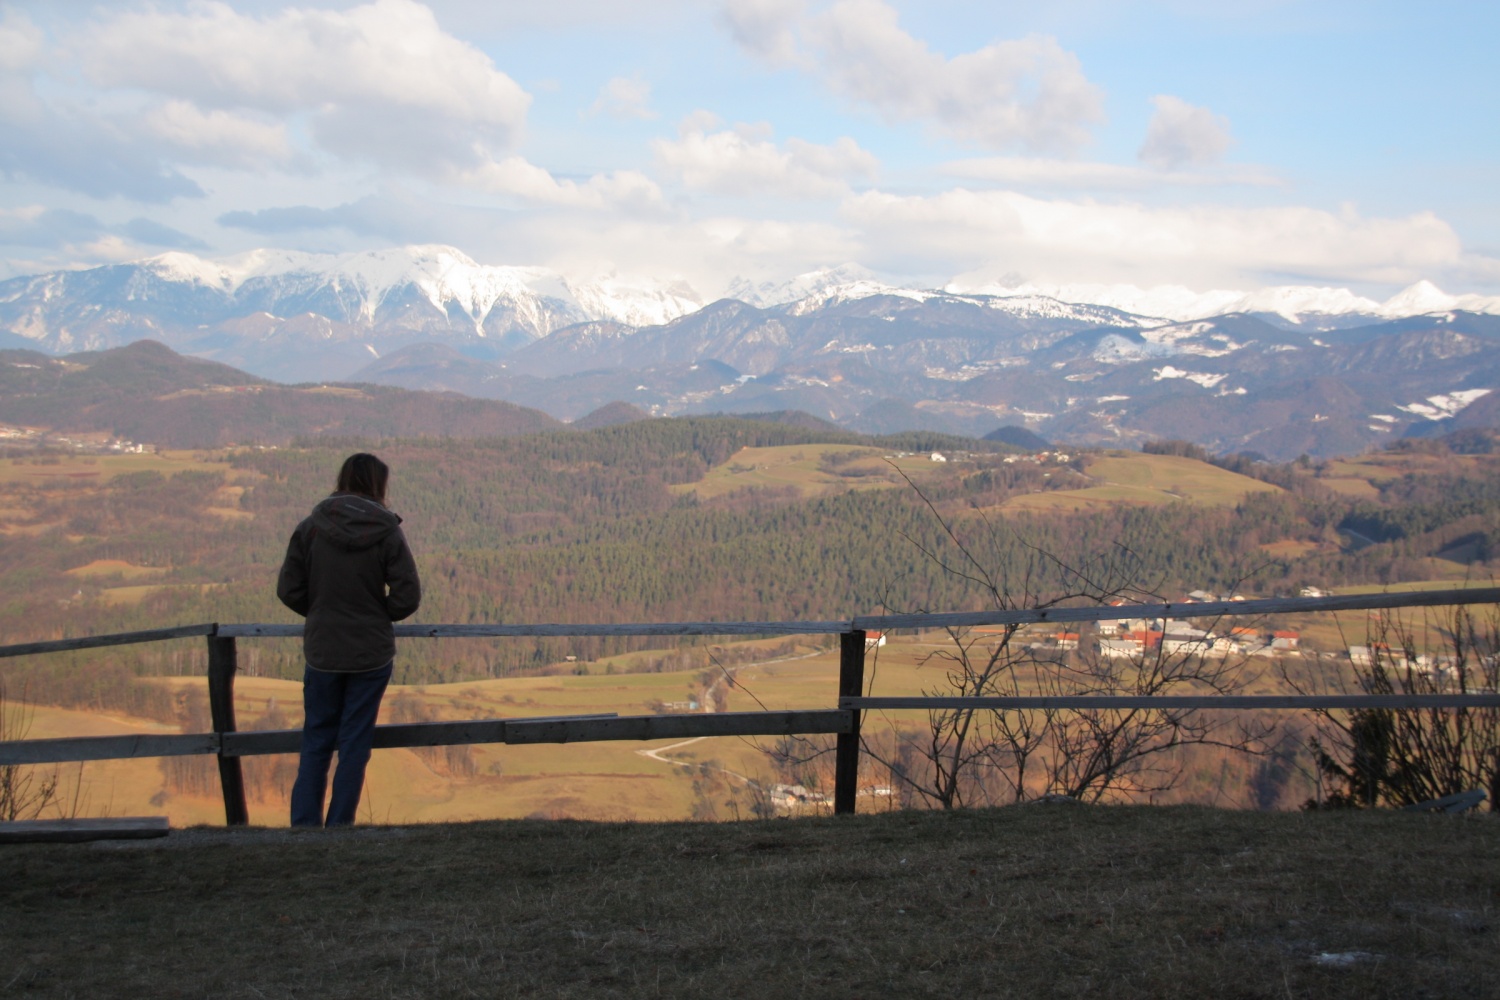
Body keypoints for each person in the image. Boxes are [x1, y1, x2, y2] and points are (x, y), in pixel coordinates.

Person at [276, 452, 421, 827]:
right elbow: (407, 595)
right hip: (370, 653)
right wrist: (376, 615)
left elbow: (289, 589)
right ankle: (340, 826)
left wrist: (321, 612)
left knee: (317, 740)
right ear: (379, 483)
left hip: (323, 650)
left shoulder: (311, 527)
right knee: (355, 742)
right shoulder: (387, 531)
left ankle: (304, 826)